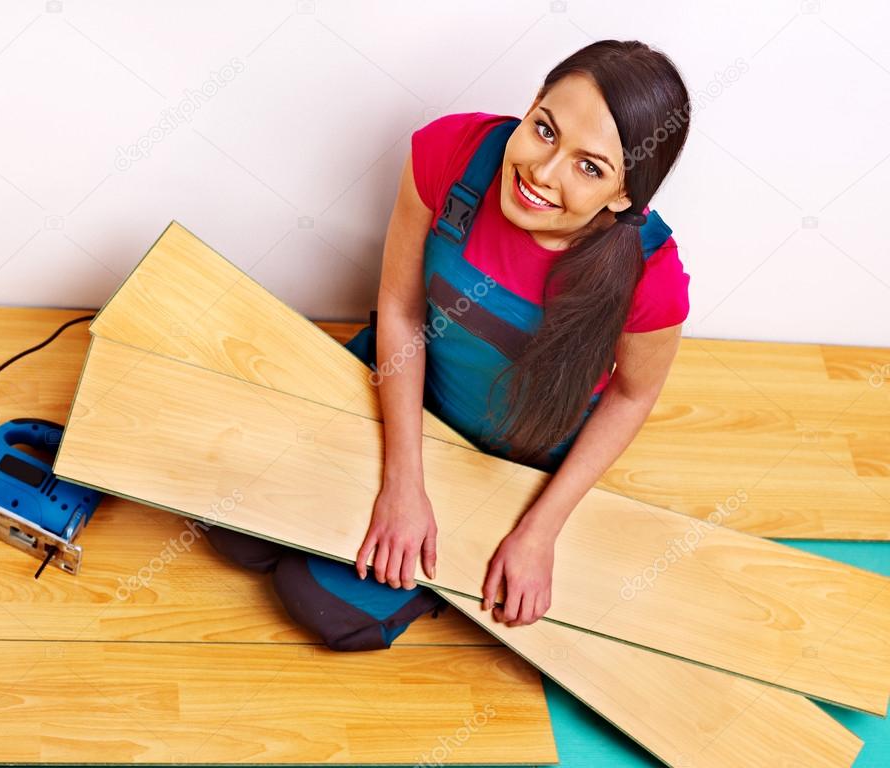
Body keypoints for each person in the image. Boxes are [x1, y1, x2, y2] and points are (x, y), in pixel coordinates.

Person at [207, 39, 692, 650]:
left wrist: (539, 530)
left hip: (504, 460)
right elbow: (401, 307)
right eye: (545, 130)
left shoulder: (653, 278)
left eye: (589, 167)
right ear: (533, 103)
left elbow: (630, 395)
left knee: (321, 604)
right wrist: (403, 483)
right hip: (405, 389)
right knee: (230, 529)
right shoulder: (450, 153)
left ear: (625, 195)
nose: (543, 174)